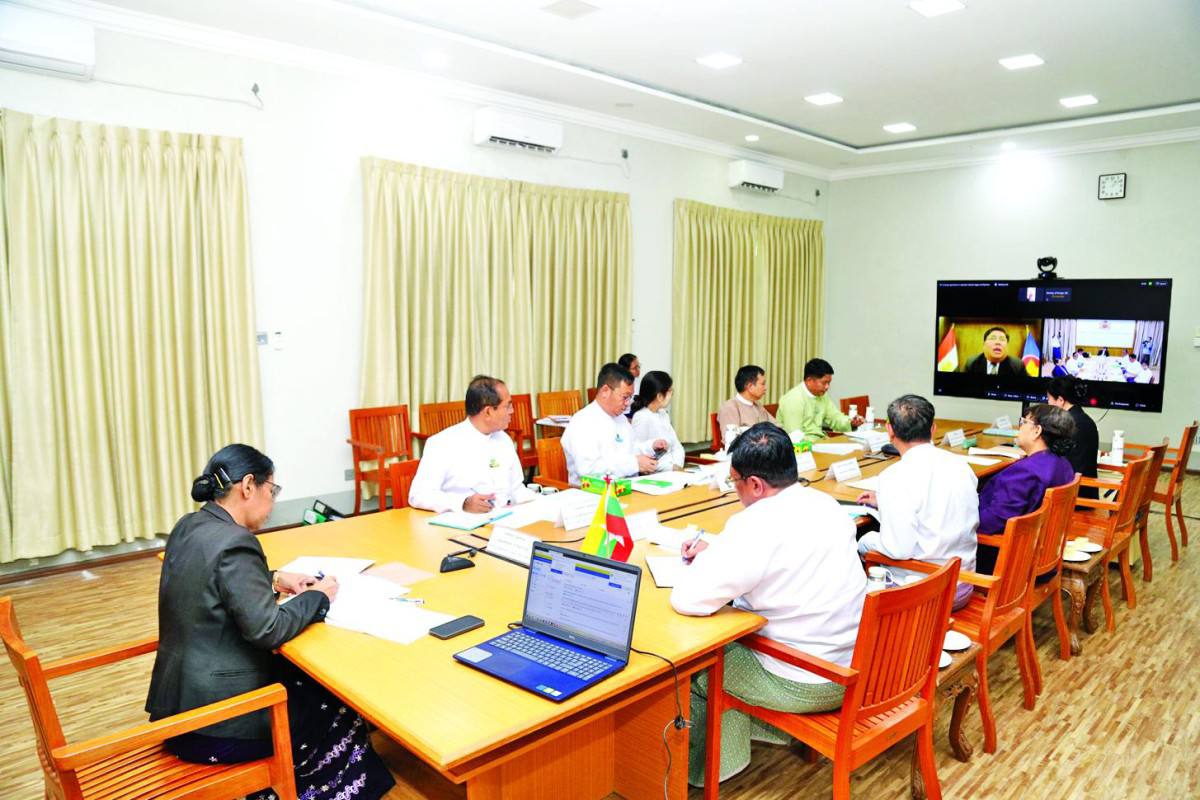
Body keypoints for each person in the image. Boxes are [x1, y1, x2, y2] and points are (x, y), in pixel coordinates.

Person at [146, 445, 395, 800]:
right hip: (218, 723)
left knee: (301, 680)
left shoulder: (190, 525)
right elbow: (268, 629)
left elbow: (216, 577)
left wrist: (276, 578)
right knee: (334, 703)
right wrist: (319, 596)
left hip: (176, 707)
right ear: (248, 485)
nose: (273, 502)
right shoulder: (236, 541)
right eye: (272, 490)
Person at [671, 423, 866, 787]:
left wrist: (708, 561)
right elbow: (781, 555)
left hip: (805, 680)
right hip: (853, 664)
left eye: (735, 482)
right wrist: (721, 550)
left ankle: (707, 772)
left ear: (756, 485)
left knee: (694, 667)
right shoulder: (825, 504)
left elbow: (687, 600)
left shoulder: (754, 525)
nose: (735, 490)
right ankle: (741, 746)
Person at [855, 395, 979, 609]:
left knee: (862, 546)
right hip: (963, 584)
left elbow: (898, 550)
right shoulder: (961, 466)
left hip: (924, 595)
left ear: (890, 431)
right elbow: (937, 504)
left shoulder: (894, 476)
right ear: (933, 428)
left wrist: (866, 541)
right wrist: (884, 501)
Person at [408, 375, 539, 513]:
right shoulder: (442, 444)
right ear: (488, 412)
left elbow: (516, 489)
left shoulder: (504, 440)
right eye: (507, 406)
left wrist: (542, 502)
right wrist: (463, 503)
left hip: (505, 518)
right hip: (464, 521)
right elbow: (418, 495)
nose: (512, 411)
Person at [975, 405, 1077, 574]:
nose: (1019, 427)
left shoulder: (1024, 473)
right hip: (1044, 555)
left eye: (1023, 422)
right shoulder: (1063, 464)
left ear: (1037, 431)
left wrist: (961, 520)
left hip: (1009, 563)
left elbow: (994, 521)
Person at [561, 363, 665, 486]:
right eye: (625, 397)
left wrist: (650, 447)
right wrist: (634, 464)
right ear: (605, 391)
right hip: (592, 492)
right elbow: (589, 471)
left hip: (627, 487)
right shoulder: (583, 422)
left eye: (630, 398)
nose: (628, 403)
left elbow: (631, 448)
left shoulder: (620, 419)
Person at [776, 358, 863, 438]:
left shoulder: (822, 395)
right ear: (809, 381)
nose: (827, 387)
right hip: (804, 446)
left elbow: (835, 417)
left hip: (820, 442)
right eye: (824, 383)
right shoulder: (793, 399)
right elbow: (794, 436)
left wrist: (851, 423)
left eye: (829, 383)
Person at [1046, 375, 1099, 500]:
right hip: (1086, 492)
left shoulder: (1067, 424)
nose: (1047, 403)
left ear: (1060, 400)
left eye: (1048, 399)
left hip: (1072, 496)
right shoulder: (1084, 419)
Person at [630, 370, 685, 471]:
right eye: (670, 391)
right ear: (659, 396)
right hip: (657, 474)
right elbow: (638, 456)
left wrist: (677, 465)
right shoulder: (641, 417)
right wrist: (671, 468)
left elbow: (677, 447)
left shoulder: (663, 414)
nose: (672, 395)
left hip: (673, 471)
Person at [715, 364, 777, 448]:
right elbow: (732, 442)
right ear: (750, 386)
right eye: (763, 384)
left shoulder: (757, 404)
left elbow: (776, 426)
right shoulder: (730, 407)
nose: (765, 388)